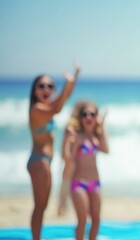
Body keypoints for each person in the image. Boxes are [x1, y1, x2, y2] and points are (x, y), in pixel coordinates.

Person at [27, 63, 79, 240]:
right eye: (41, 86)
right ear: (34, 90)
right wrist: (68, 84)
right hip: (39, 161)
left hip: (44, 161)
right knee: (39, 206)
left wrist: (74, 79)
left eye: (50, 86)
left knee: (42, 206)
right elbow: (57, 107)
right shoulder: (37, 109)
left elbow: (62, 100)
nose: (46, 89)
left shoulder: (47, 107)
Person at [70, 101, 109, 240]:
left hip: (95, 183)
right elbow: (69, 158)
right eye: (84, 114)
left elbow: (106, 150)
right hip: (78, 183)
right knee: (82, 221)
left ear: (96, 118)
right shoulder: (77, 136)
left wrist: (102, 126)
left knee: (96, 220)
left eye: (92, 114)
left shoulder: (96, 137)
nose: (88, 117)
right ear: (80, 118)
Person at [57, 101, 85, 216]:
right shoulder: (72, 126)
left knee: (67, 185)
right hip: (71, 161)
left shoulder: (76, 125)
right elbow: (66, 150)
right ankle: (62, 207)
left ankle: (62, 207)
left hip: (73, 161)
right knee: (67, 184)